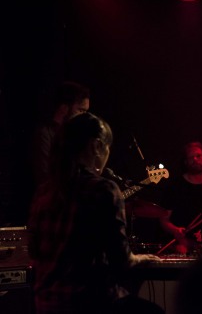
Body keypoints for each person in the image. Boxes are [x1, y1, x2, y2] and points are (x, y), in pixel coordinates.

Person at [27, 112, 162, 314]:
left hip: (47, 304)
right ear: (97, 146)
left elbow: (34, 252)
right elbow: (122, 260)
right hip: (90, 302)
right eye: (107, 147)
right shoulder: (104, 189)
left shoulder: (43, 192)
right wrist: (143, 258)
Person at [159, 141, 202, 255]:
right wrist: (175, 230)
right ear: (185, 162)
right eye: (191, 157)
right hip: (179, 244)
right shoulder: (174, 186)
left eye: (198, 156)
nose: (195, 159)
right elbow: (164, 220)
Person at [32, 81, 91, 187]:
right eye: (81, 110)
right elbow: (45, 179)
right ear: (64, 108)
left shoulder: (74, 135)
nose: (85, 116)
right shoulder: (44, 134)